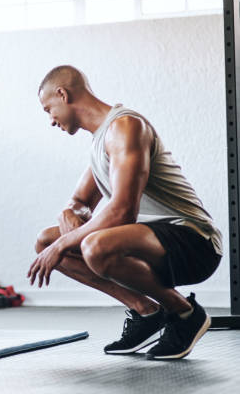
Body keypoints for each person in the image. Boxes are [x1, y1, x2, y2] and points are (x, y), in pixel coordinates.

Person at [28, 65, 222, 360]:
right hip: (151, 240)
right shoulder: (100, 141)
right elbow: (79, 200)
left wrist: (64, 243)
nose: (50, 121)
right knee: (44, 241)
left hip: (194, 241)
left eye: (48, 110)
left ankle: (185, 313)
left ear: (62, 94)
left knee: (94, 247)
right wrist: (69, 212)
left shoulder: (125, 127)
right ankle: (146, 311)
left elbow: (122, 212)